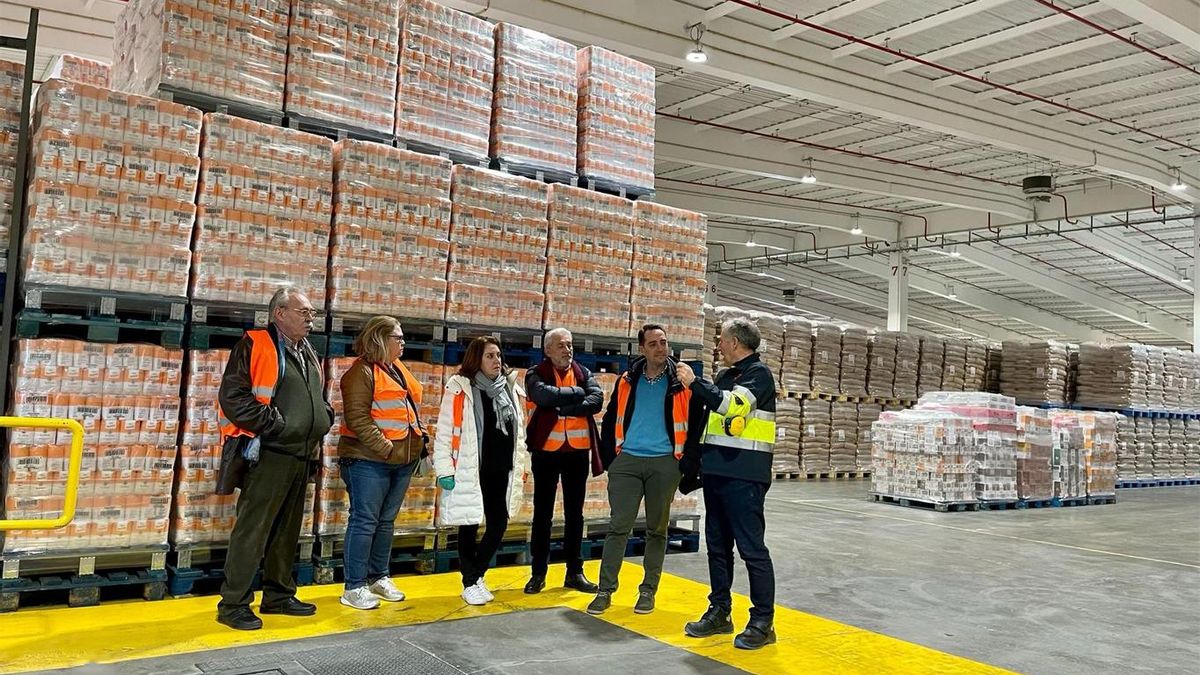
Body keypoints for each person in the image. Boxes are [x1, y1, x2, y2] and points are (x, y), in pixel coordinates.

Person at [216, 286, 334, 631]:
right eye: (305, 312)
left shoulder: (307, 350)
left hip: (301, 453)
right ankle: (233, 603)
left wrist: (323, 416)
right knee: (253, 530)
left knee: (286, 530)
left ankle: (278, 595)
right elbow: (233, 398)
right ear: (280, 313)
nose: (311, 319)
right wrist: (275, 425)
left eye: (312, 313)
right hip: (268, 453)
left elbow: (315, 397)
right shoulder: (254, 344)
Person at [676, 317, 779, 650]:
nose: (718, 345)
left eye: (721, 340)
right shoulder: (725, 376)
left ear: (735, 342)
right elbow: (710, 425)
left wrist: (696, 384)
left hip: (746, 477)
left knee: (752, 550)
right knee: (718, 548)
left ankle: (763, 621)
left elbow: (733, 406)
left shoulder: (758, 376)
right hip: (718, 475)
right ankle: (720, 611)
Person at [589, 324, 691, 616]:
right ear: (642, 349)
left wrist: (683, 462)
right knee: (618, 526)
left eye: (664, 342)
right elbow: (611, 418)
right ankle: (605, 590)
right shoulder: (627, 379)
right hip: (628, 462)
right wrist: (613, 459)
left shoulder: (681, 380)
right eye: (654, 344)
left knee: (657, 530)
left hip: (665, 463)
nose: (661, 348)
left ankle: (648, 591)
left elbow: (695, 422)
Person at [336, 316, 428, 610]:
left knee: (385, 522)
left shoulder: (396, 370)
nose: (403, 343)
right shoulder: (359, 373)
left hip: (399, 460)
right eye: (397, 338)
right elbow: (358, 419)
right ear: (380, 339)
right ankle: (354, 586)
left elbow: (405, 410)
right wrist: (386, 448)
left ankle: (379, 577)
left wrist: (419, 441)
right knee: (364, 521)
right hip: (368, 461)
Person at [433, 337, 528, 606]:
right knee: (469, 523)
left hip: (501, 467)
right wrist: (444, 470)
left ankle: (477, 575)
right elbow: (444, 431)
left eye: (498, 355)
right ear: (476, 358)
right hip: (471, 468)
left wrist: (523, 465)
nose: (496, 361)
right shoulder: (460, 389)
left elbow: (520, 431)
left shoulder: (510, 387)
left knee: (499, 523)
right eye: (489, 356)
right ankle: (469, 581)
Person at [523, 327, 604, 594]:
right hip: (546, 451)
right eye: (561, 345)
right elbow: (542, 396)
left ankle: (574, 572)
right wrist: (576, 394)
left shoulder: (584, 373)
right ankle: (538, 573)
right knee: (542, 514)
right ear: (547, 350)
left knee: (575, 515)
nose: (567, 350)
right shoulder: (536, 374)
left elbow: (596, 400)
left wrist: (562, 407)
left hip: (577, 452)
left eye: (569, 345)